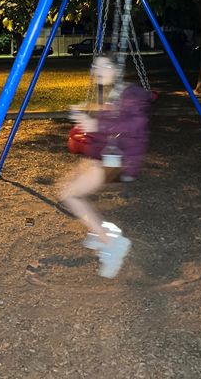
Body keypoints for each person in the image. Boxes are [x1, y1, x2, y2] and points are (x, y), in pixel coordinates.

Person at [58, 55, 151, 278]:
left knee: (70, 195)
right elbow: (105, 128)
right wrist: (85, 118)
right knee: (66, 186)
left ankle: (112, 244)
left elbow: (134, 124)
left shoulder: (132, 93)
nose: (98, 70)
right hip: (106, 157)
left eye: (105, 65)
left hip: (122, 161)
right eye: (95, 65)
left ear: (117, 69)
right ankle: (102, 229)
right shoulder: (107, 93)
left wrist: (96, 123)